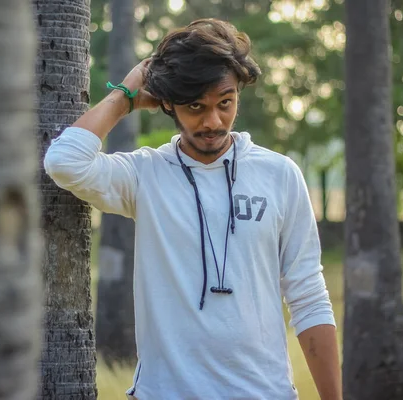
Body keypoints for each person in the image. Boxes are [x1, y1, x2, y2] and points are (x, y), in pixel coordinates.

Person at [45, 18, 341, 400]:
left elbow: (308, 296)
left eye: (225, 103)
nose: (212, 121)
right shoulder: (144, 174)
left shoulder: (279, 175)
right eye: (195, 106)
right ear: (167, 103)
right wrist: (128, 94)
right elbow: (65, 162)